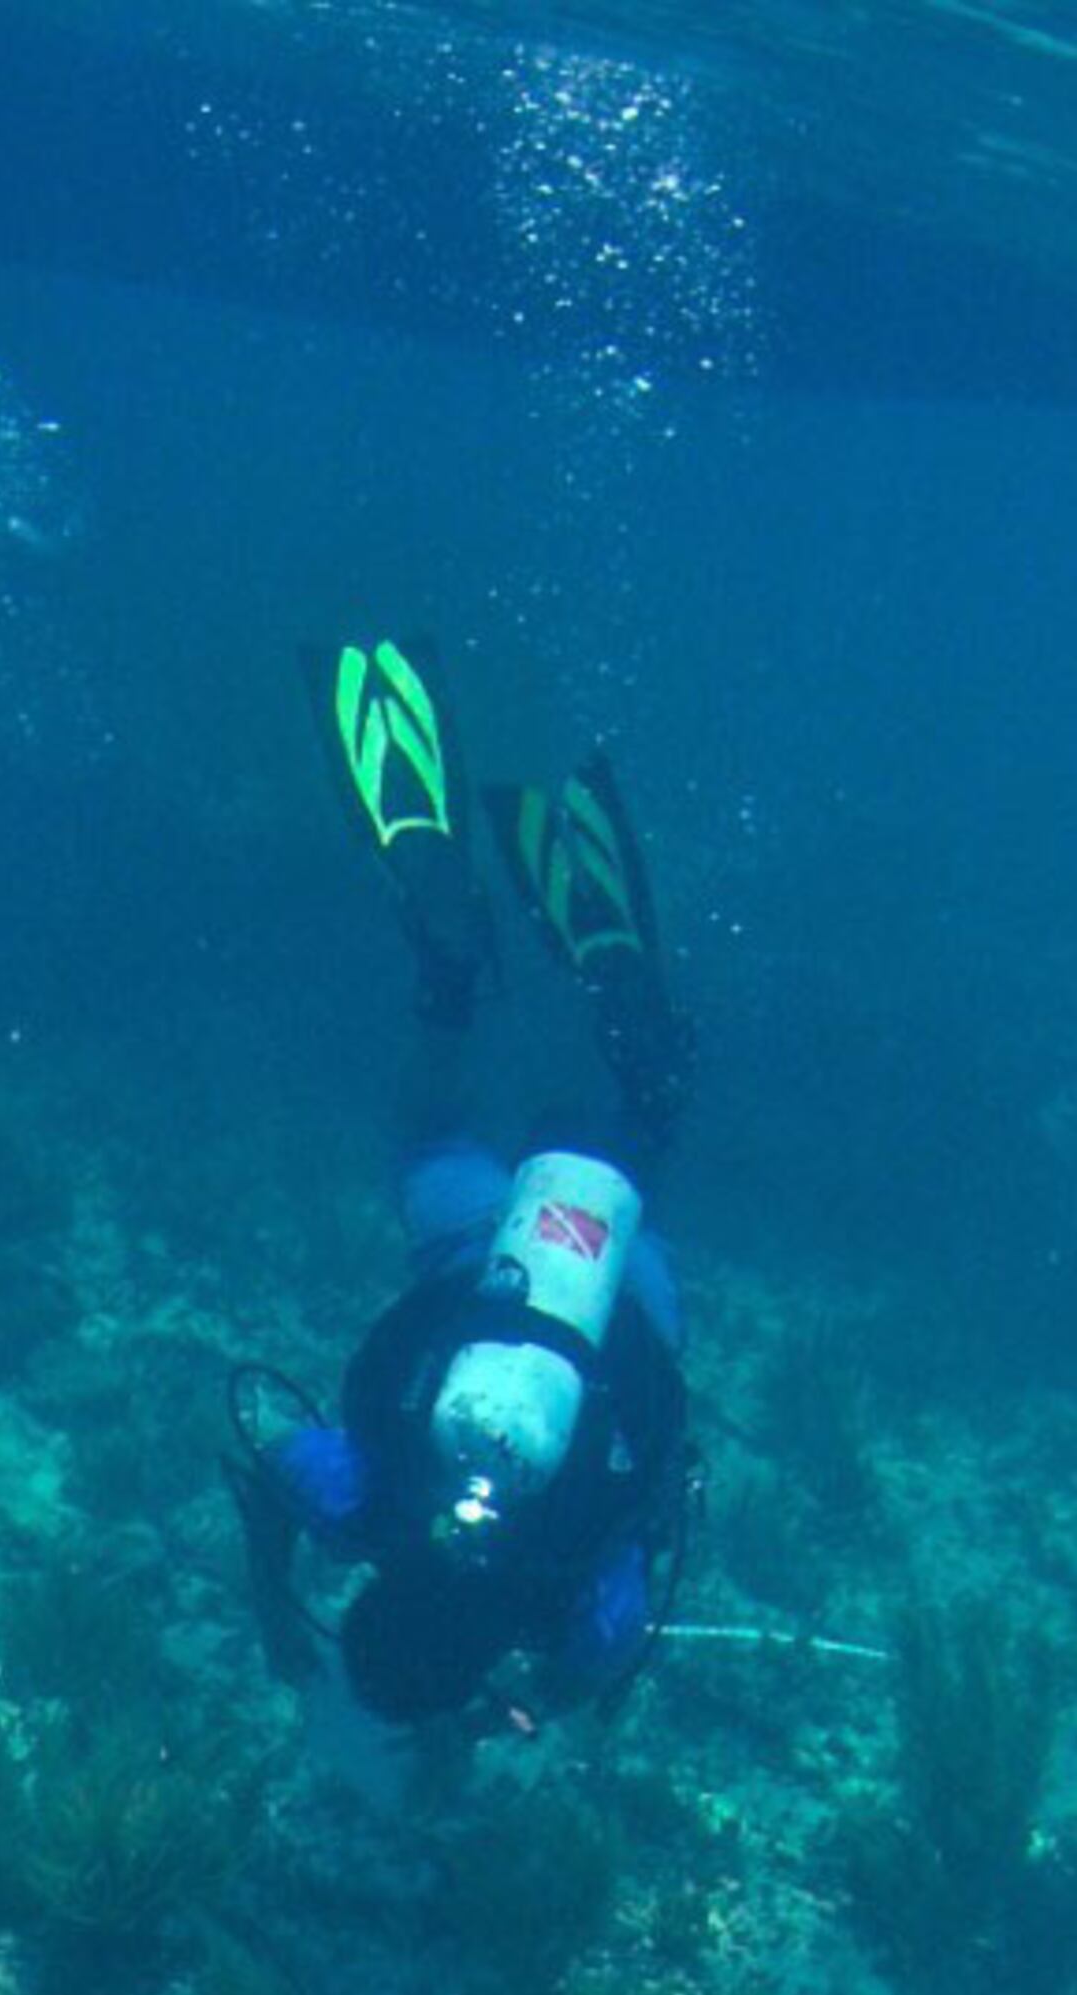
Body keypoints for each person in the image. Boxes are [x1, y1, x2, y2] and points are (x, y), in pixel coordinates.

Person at [235, 640, 696, 1742]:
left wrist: (522, 1707)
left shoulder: (570, 1607)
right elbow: (266, 1451)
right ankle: (449, 972)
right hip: (482, 1259)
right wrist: (273, 1600)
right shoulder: (360, 1507)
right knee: (431, 1133)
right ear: (373, 1594)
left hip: (623, 1299)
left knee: (630, 1162)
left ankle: (644, 1080)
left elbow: (609, 1645)